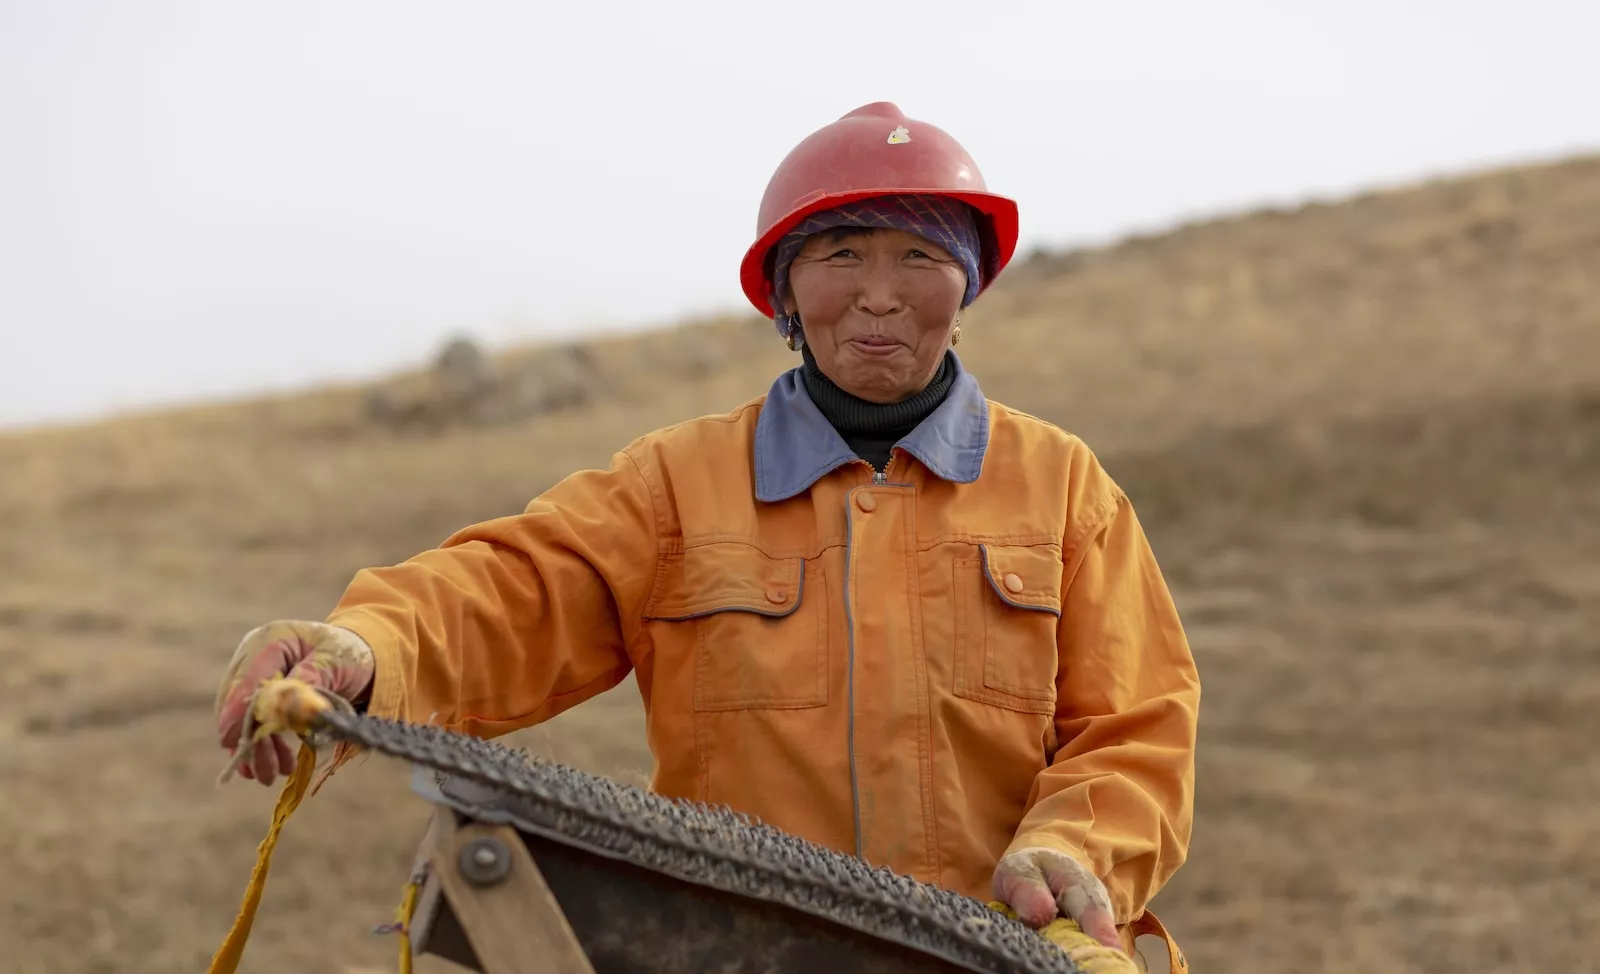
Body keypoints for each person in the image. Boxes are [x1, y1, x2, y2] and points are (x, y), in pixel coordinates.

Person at [213, 101, 1200, 972]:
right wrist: (362, 648)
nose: (881, 290)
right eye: (840, 252)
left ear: (969, 284)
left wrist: (1073, 849)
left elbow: (1137, 724)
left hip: (995, 956)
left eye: (921, 255)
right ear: (782, 290)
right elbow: (508, 590)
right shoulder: (675, 486)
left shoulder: (1064, 487)